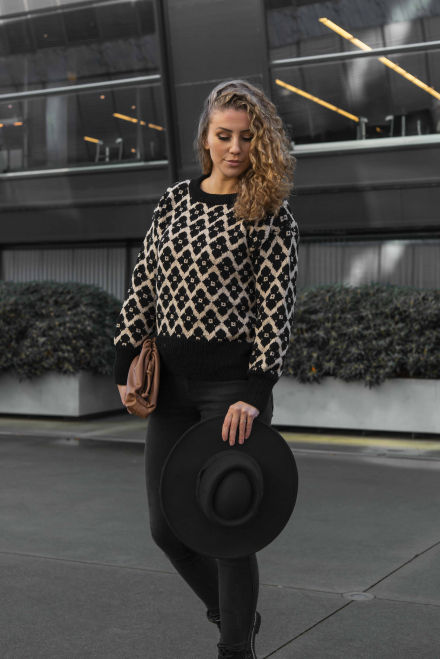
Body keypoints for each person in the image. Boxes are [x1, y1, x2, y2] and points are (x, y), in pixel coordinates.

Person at [113, 79, 299, 659]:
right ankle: (235, 612)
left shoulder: (271, 213)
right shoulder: (174, 200)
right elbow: (144, 284)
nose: (235, 148)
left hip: (231, 392)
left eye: (247, 137)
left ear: (261, 141)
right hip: (169, 388)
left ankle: (234, 646)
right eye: (224, 135)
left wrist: (256, 391)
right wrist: (124, 358)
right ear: (206, 138)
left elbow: (275, 309)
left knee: (228, 526)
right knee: (165, 528)